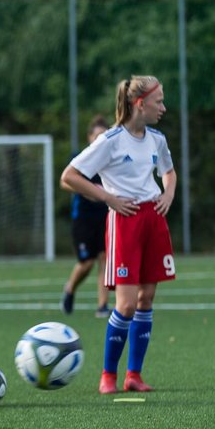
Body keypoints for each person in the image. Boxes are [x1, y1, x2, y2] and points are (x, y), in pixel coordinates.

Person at [60, 76, 177, 395]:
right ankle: (108, 376)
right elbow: (69, 176)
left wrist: (168, 193)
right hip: (124, 222)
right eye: (159, 101)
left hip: (153, 220)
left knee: (146, 299)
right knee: (125, 305)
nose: (163, 108)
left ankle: (133, 375)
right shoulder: (110, 140)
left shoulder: (156, 139)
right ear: (140, 104)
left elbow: (169, 171)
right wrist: (108, 198)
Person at [62, 115, 112, 319]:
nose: (100, 139)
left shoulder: (111, 159)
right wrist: (86, 190)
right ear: (89, 137)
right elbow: (64, 182)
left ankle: (102, 306)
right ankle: (70, 289)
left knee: (105, 258)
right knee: (86, 262)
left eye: (104, 135)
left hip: (107, 215)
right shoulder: (81, 158)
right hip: (83, 217)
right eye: (96, 135)